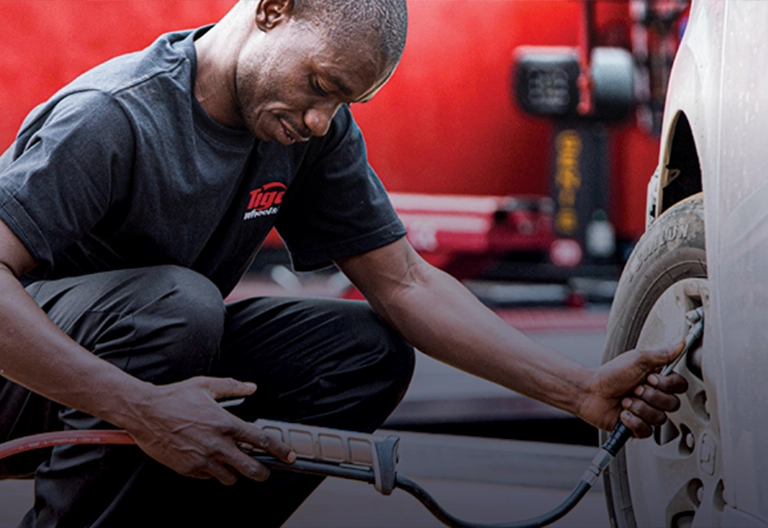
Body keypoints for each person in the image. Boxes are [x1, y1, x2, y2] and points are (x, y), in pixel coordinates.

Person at [0, 0, 687, 526]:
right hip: (26, 377)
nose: (323, 118)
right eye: (321, 84)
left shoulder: (303, 132)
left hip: (152, 361)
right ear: (272, 9)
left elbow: (406, 283)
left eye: (344, 101)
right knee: (180, 306)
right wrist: (143, 409)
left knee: (363, 351)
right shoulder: (111, 117)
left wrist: (578, 391)